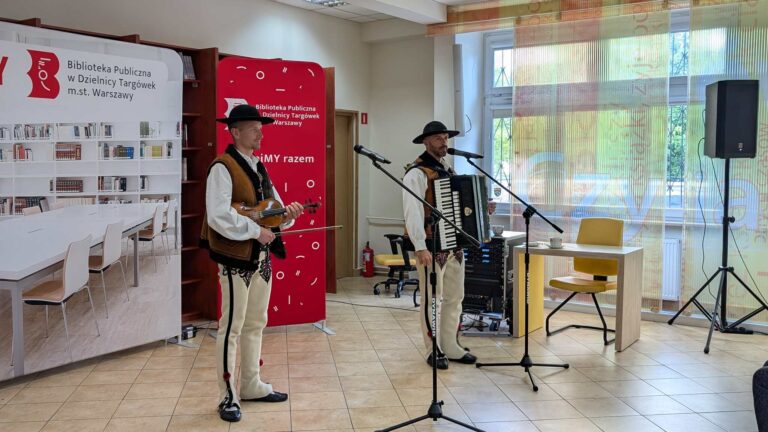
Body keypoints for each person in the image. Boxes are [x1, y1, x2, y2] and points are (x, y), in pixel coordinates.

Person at [200, 104, 304, 422]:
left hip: (260, 259)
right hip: (235, 259)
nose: (260, 133)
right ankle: (227, 395)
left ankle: (250, 384)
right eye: (253, 128)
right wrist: (255, 231)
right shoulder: (222, 167)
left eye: (261, 128)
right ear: (235, 132)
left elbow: (273, 212)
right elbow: (219, 215)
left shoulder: (259, 167)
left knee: (256, 322)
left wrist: (287, 216)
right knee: (231, 326)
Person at [403, 121, 495, 370]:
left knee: (455, 297)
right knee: (432, 299)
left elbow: (462, 207)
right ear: (426, 142)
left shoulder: (448, 169)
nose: (444, 142)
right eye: (438, 138)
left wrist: (482, 210)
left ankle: (450, 345)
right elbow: (412, 212)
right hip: (430, 246)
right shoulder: (416, 173)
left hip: (454, 246)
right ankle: (433, 349)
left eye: (445, 138)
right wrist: (419, 246)